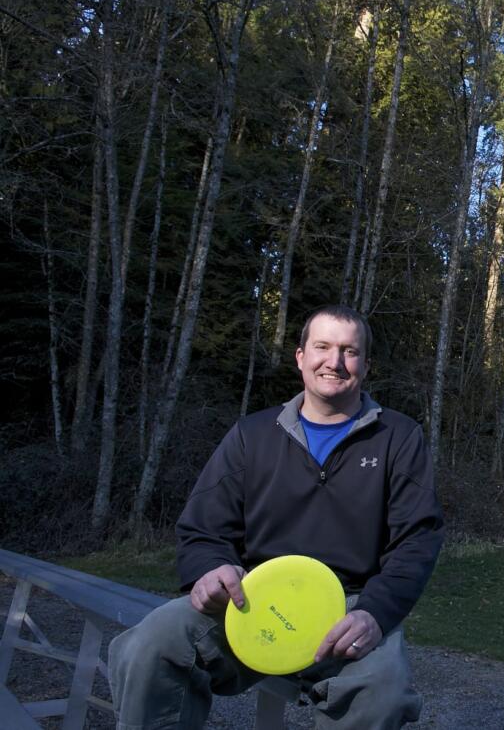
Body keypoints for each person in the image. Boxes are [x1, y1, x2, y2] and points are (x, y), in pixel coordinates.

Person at [109, 304, 444, 729]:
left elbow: (418, 539)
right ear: (300, 357)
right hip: (251, 600)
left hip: (349, 608)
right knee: (152, 645)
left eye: (349, 351)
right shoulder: (252, 434)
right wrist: (210, 571)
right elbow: (202, 526)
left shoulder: (399, 437)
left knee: (385, 694)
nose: (334, 362)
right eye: (321, 346)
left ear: (366, 364)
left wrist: (375, 614)